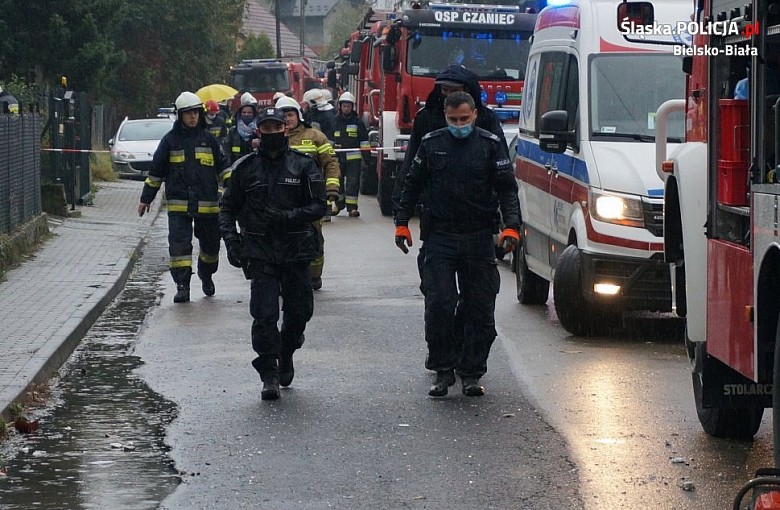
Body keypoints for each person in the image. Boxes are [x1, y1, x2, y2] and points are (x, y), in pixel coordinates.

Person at [394, 91, 521, 398]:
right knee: (439, 303)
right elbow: (411, 184)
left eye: (464, 119)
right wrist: (401, 223)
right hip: (441, 236)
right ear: (446, 117)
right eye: (453, 120)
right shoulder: (432, 143)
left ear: (475, 114)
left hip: (478, 236)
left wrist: (512, 227)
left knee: (479, 307)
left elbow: (507, 190)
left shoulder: (490, 146)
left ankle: (472, 371)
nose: (459, 125)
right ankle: (442, 369)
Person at [219, 106, 327, 400]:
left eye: (275, 128)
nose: (270, 134)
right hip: (260, 251)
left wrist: (289, 216)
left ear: (284, 129)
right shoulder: (245, 168)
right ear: (259, 131)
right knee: (264, 315)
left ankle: (286, 351)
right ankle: (269, 373)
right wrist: (231, 242)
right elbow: (227, 208)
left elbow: (320, 205)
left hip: (296, 250)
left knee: (299, 311)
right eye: (265, 129)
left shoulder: (303, 165)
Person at [137, 91, 229, 303]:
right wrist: (146, 198)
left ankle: (206, 274)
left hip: (208, 206)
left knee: (211, 246)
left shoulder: (209, 140)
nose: (193, 117)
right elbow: (156, 173)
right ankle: (182, 286)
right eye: (188, 113)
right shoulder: (169, 141)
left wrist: (232, 189)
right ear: (180, 115)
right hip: (179, 206)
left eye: (196, 112)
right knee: (179, 247)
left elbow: (224, 167)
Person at [275, 95, 341, 290]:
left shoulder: (315, 136)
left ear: (298, 115)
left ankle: (313, 275)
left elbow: (330, 163)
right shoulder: (273, 137)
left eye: (290, 114)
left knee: (314, 237)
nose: (287, 119)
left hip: (309, 198)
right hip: (282, 199)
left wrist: (331, 188)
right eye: (283, 115)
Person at [332, 91, 370, 217]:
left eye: (349, 106)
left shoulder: (358, 122)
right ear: (340, 106)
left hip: (354, 159)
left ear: (352, 107)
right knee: (337, 182)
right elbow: (330, 139)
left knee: (353, 183)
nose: (346, 108)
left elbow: (364, 141)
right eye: (344, 106)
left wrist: (367, 158)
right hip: (337, 157)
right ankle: (339, 204)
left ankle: (352, 208)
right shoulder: (335, 121)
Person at [225, 92, 258, 164]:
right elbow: (227, 152)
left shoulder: (258, 131)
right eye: (244, 112)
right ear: (240, 114)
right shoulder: (233, 132)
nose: (246, 114)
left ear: (254, 114)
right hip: (236, 168)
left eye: (249, 112)